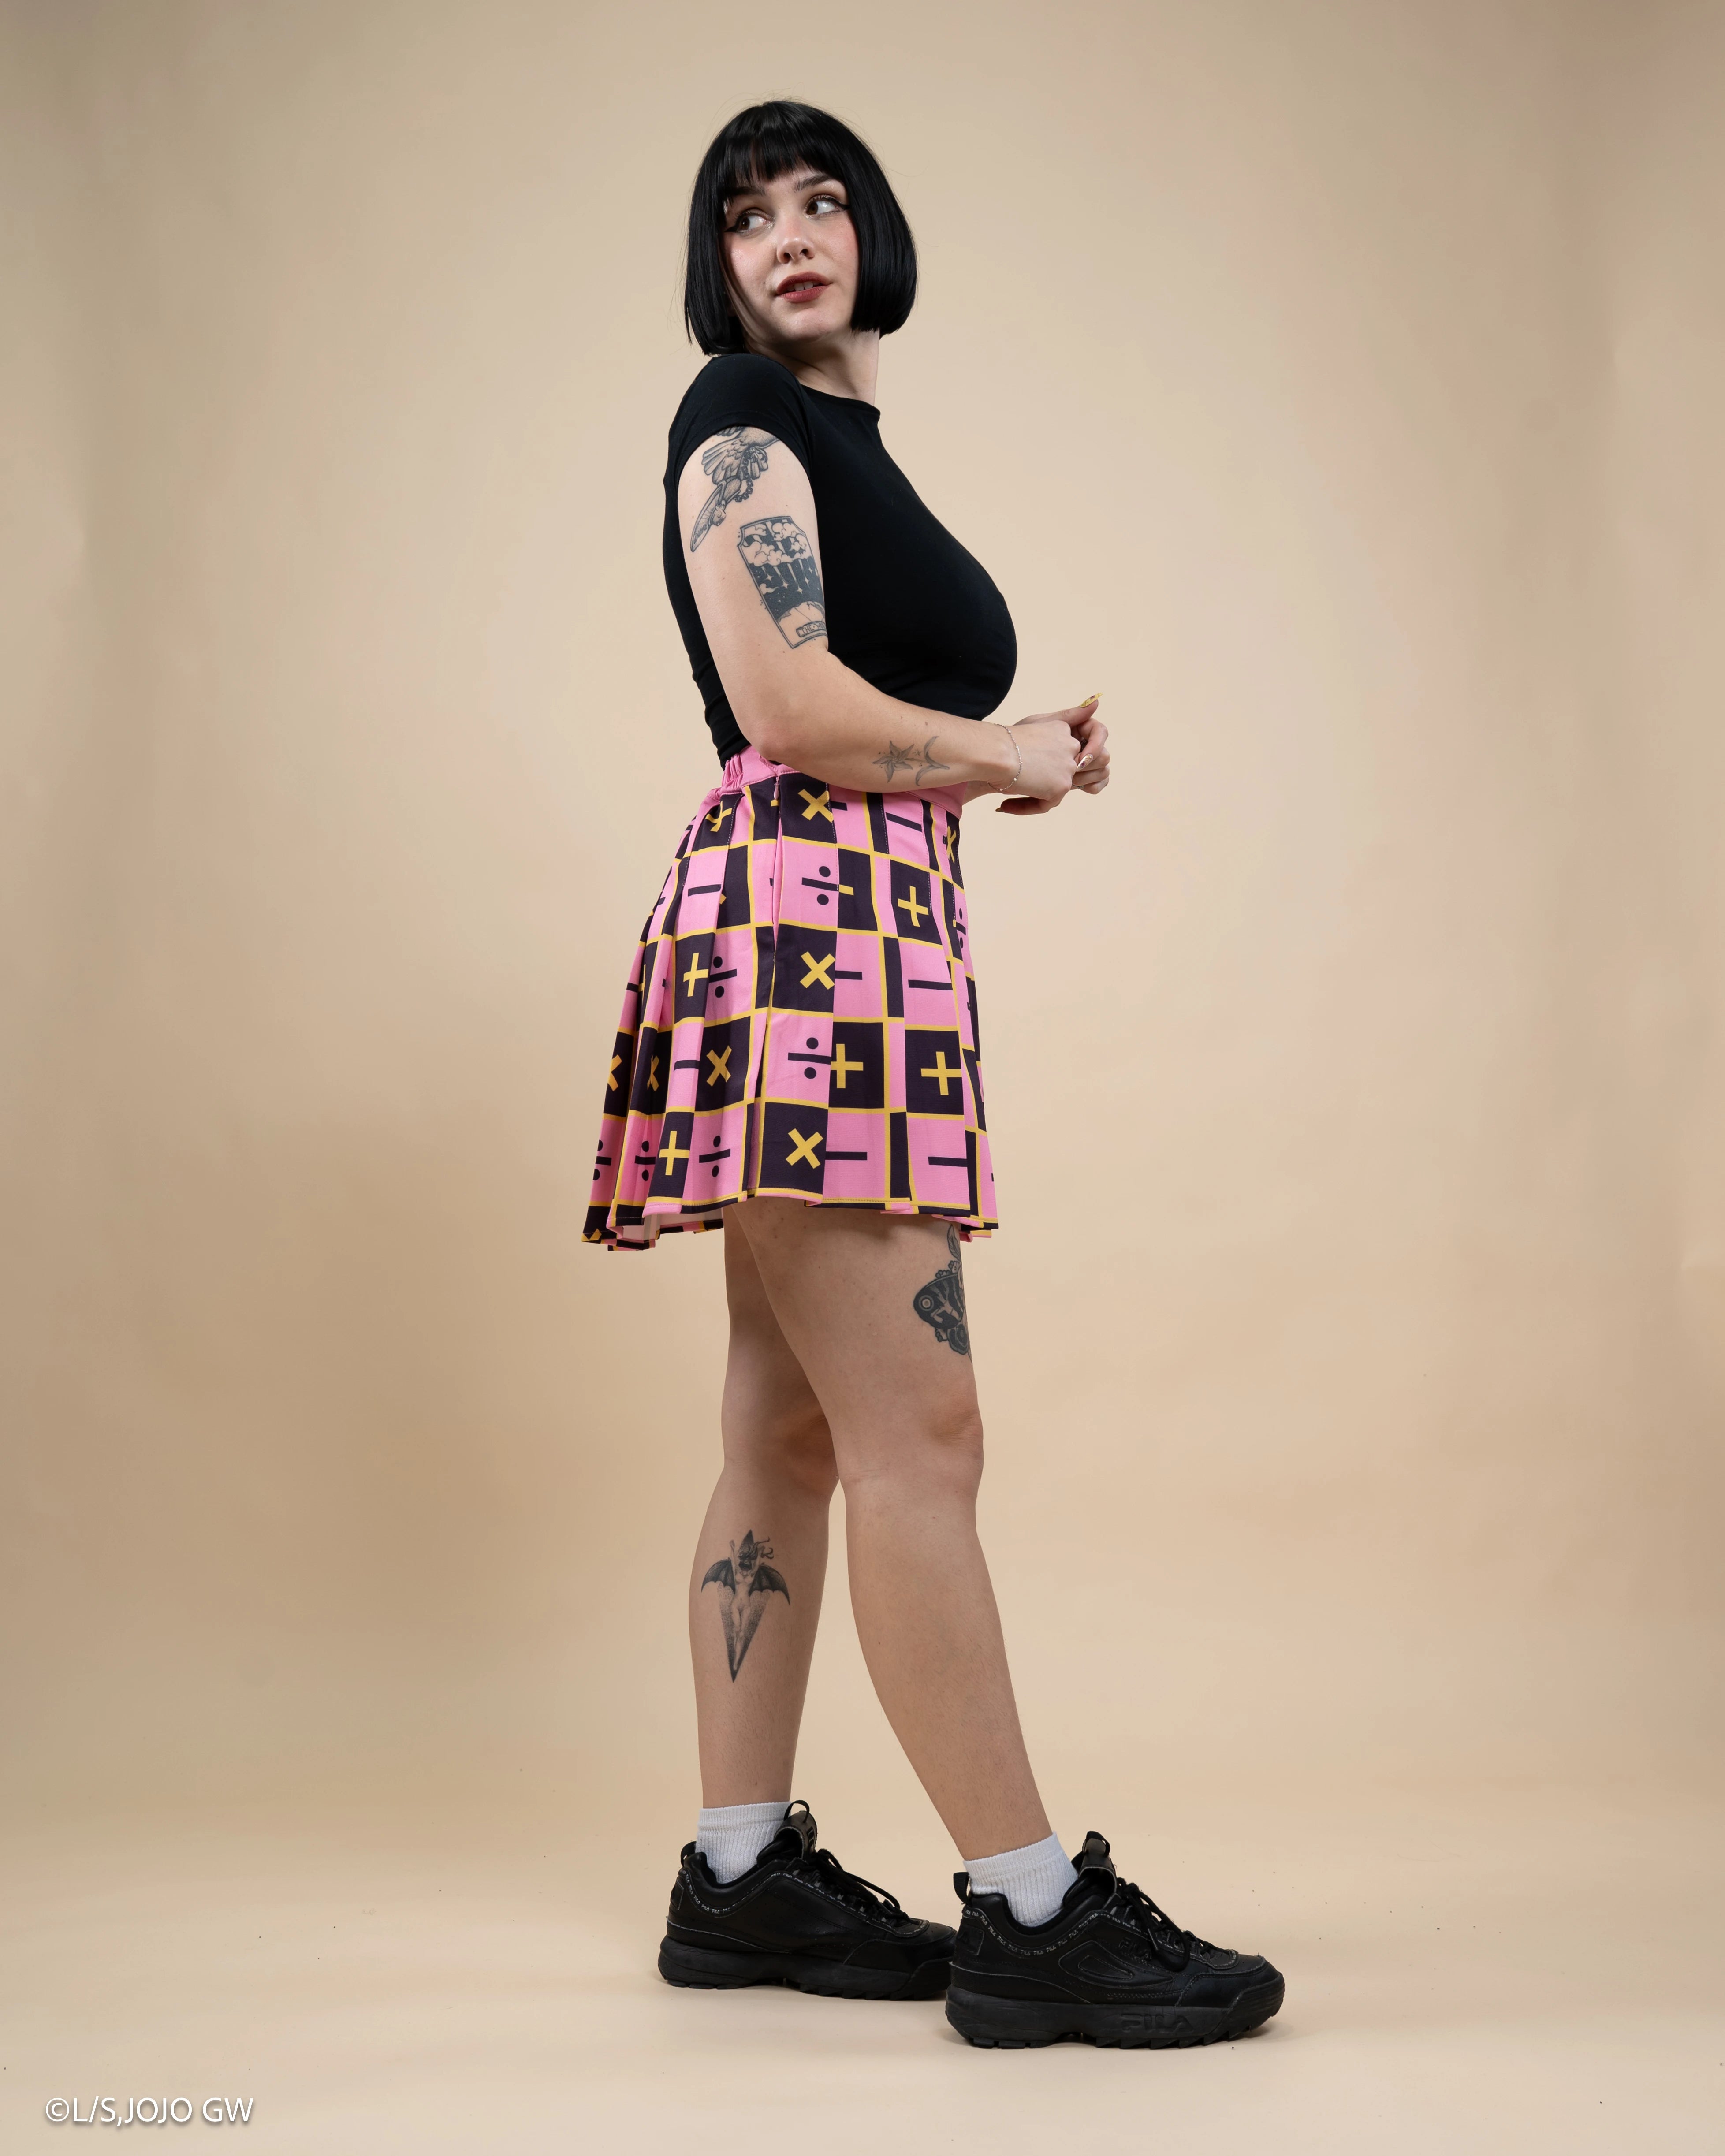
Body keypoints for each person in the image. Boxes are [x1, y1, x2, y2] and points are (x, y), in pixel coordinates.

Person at [585, 100, 1283, 2050]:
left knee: (790, 1429)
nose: (789, 235)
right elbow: (786, 701)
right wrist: (1003, 754)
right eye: (747, 215)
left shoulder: (841, 447)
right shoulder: (740, 413)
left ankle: (739, 1871)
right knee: (923, 1433)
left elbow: (857, 707)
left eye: (821, 200)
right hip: (808, 935)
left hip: (844, 924)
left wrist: (995, 753)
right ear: (718, 268)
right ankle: (1029, 1909)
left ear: (875, 228)